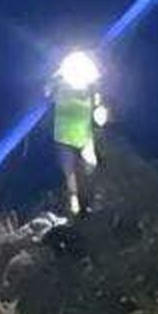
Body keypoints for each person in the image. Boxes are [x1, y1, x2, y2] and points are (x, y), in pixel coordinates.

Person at [47, 50, 109, 216]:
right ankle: (74, 202)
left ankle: (91, 198)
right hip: (64, 132)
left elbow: (98, 101)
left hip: (83, 132)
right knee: (69, 170)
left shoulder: (90, 86)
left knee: (90, 164)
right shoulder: (58, 83)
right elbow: (47, 94)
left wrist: (100, 110)